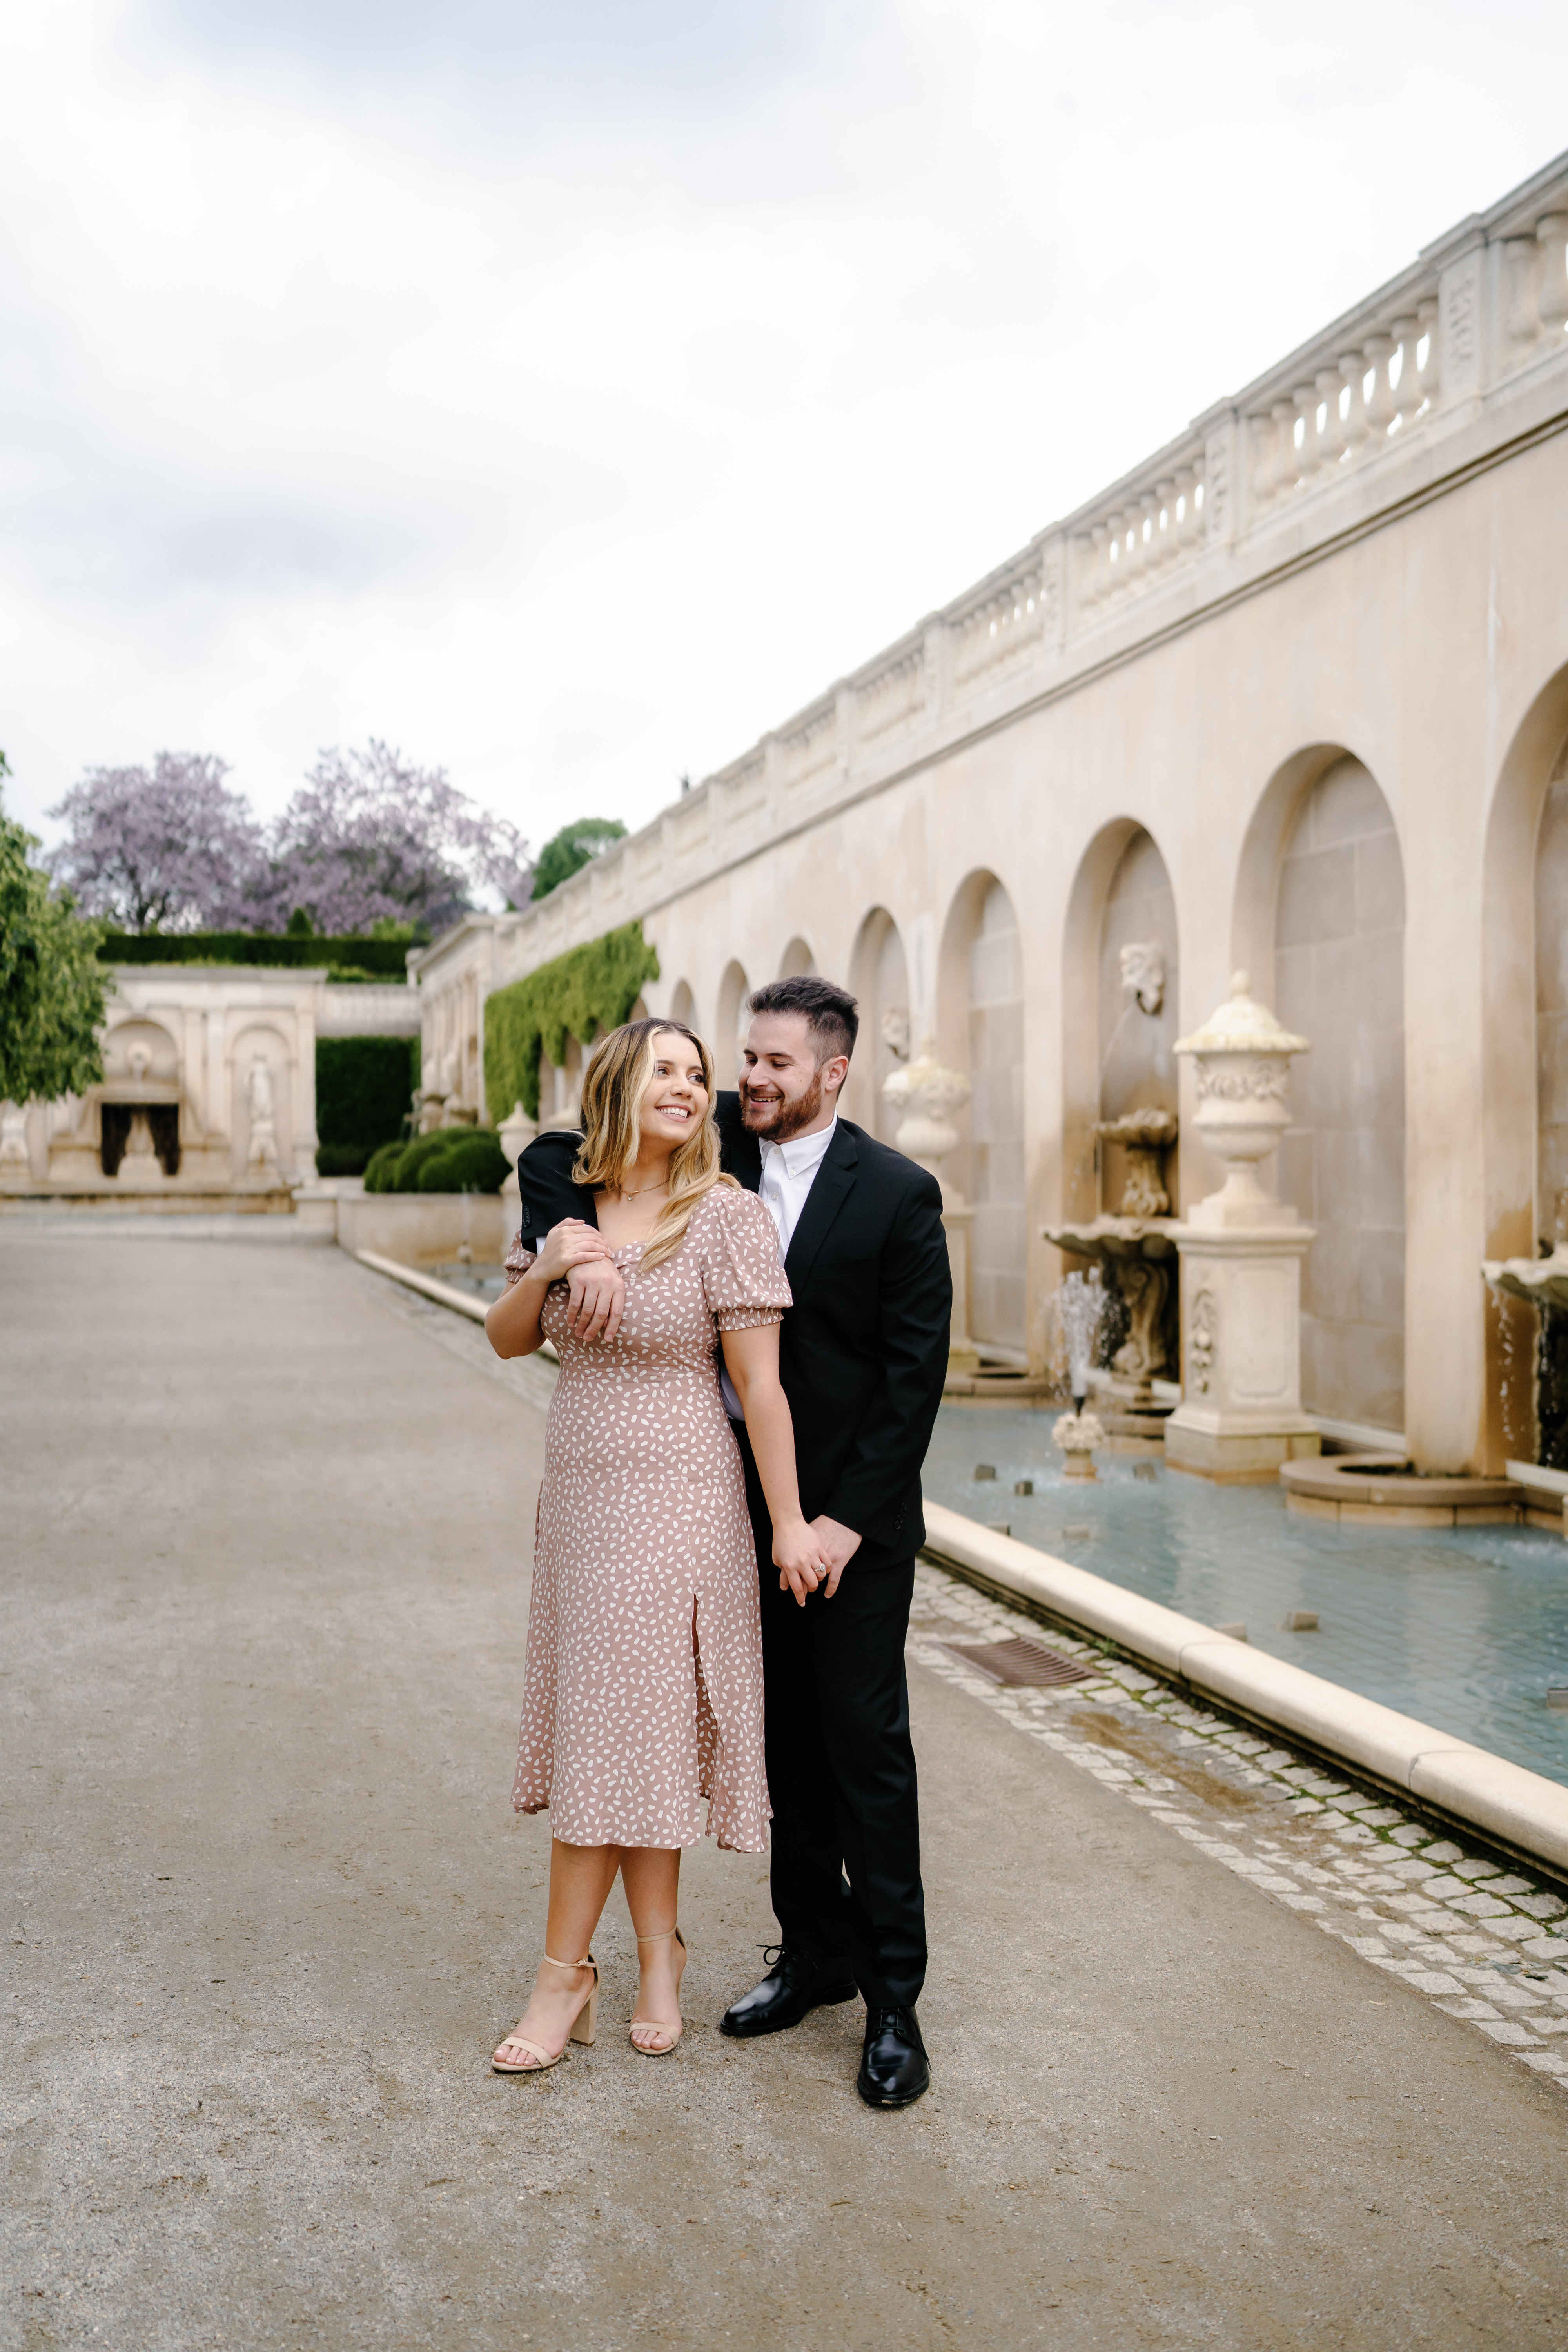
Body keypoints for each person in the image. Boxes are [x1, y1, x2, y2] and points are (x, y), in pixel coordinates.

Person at [515, 976, 952, 2108]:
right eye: (737, 1062)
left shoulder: (900, 1194)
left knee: (863, 1748)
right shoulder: (714, 1166)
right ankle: (812, 1955)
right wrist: (574, 1245)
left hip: (840, 1520)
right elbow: (562, 1152)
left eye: (771, 1066)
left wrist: (829, 1524)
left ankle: (895, 2002)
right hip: (716, 1509)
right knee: (783, 1748)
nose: (746, 1081)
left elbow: (912, 1390)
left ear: (835, 1072)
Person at [483, 1018, 823, 2073]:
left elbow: (760, 1387)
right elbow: (503, 1336)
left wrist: (790, 1522)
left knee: (627, 1734)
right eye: (666, 1070)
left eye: (698, 1075)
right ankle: (659, 1954)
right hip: (582, 1498)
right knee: (625, 1733)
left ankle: (561, 1978)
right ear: (620, 1083)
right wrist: (552, 1266)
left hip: (681, 1497)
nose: (687, 1086)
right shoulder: (572, 1209)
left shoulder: (726, 1218)